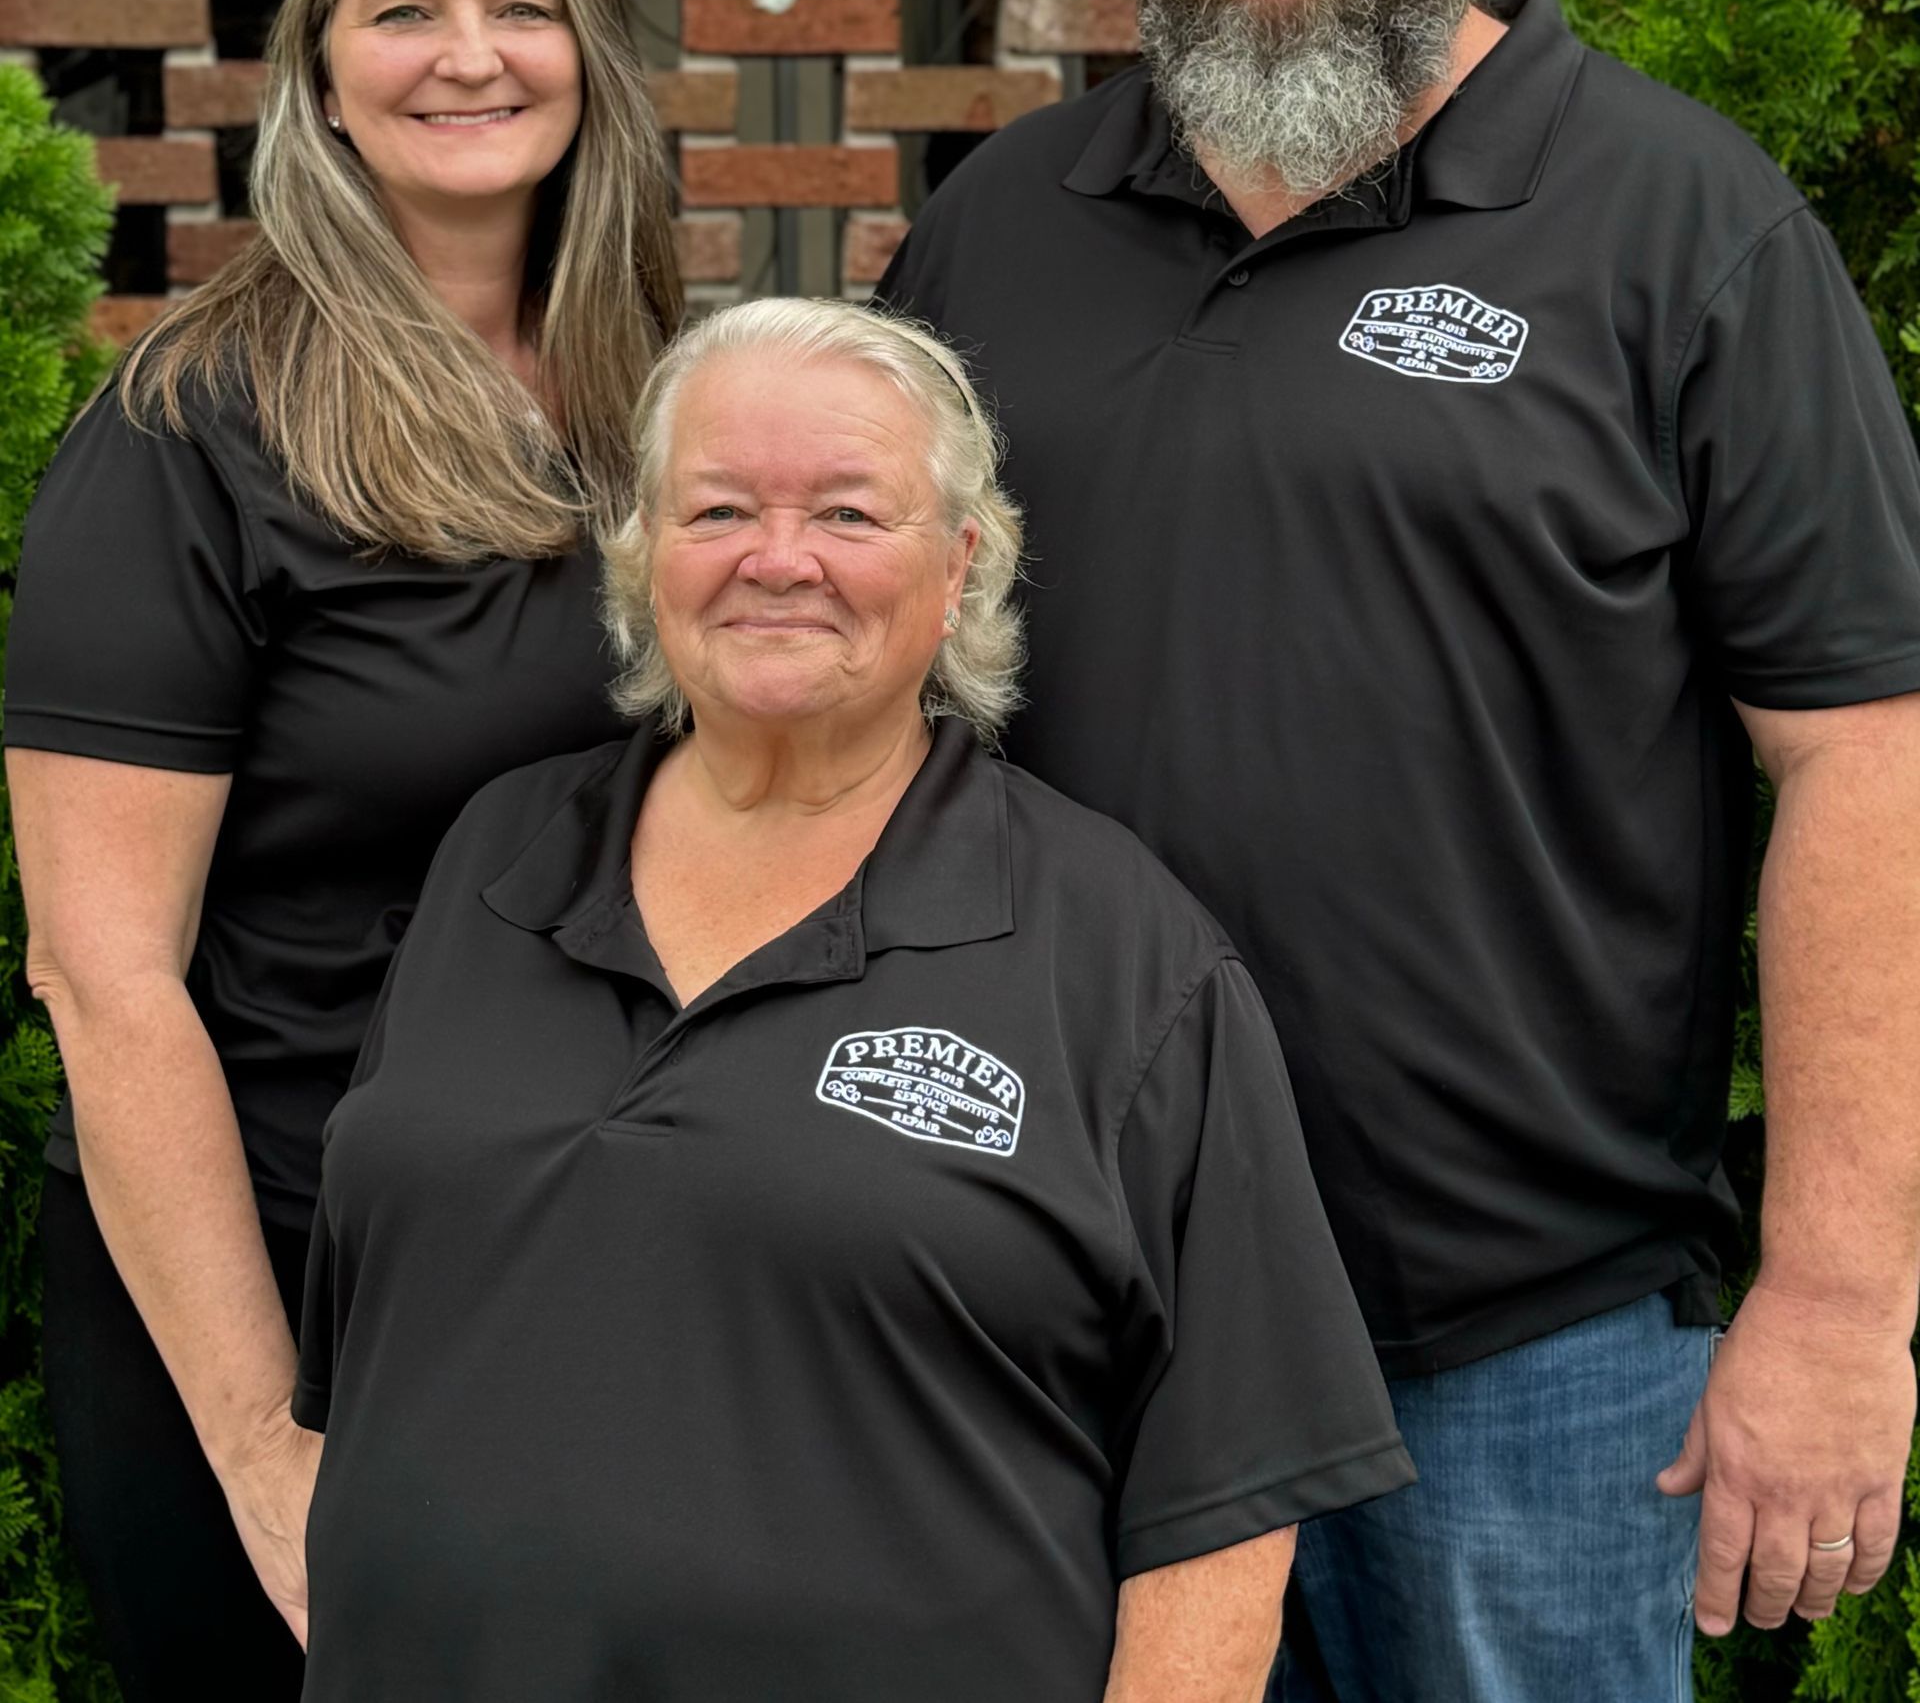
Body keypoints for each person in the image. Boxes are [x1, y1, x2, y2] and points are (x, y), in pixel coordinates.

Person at [880, 0, 1920, 1703]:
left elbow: (1865, 759)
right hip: (1074, 1328)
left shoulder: (1672, 225)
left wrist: (1836, 1293)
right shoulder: (996, 236)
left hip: (1518, 1358)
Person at [292, 298, 1412, 1703]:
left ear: (960, 569)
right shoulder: (494, 860)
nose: (777, 559)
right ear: (642, 558)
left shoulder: (1121, 956)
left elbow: (1230, 1499)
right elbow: (380, 1354)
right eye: (715, 510)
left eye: (847, 513)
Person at [4, 0, 683, 1703]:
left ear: (590, 55)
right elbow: (101, 968)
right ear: (318, 69)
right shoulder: (189, 428)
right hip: (289, 1270)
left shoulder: (660, 395)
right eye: (405, 9)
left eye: (521, 5)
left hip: (595, 1261)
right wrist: (255, 1435)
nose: (470, 55)